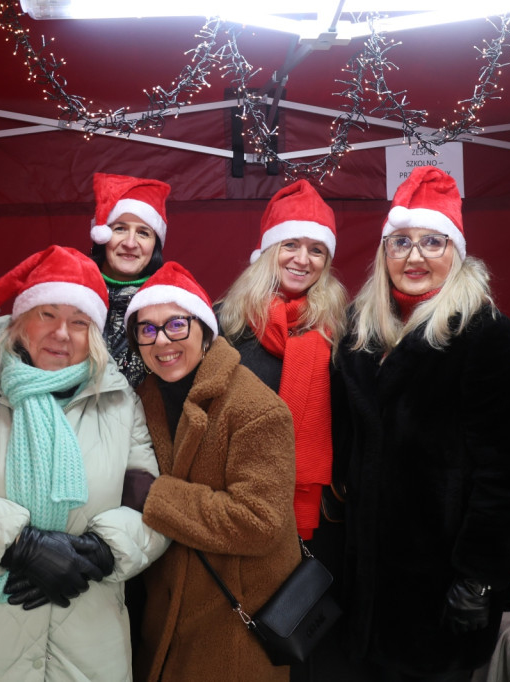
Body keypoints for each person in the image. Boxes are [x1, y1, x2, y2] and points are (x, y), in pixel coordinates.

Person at [0, 245, 170, 682]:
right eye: (47, 315)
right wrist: (21, 545)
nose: (62, 334)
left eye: (79, 322)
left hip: (86, 644)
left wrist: (103, 551)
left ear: (94, 333)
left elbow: (150, 503)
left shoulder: (119, 401)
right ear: (20, 321)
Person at [331, 167, 510, 681]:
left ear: (456, 252)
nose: (415, 255)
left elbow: (509, 474)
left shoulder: (484, 333)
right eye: (401, 242)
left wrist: (479, 578)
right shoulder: (361, 330)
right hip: (368, 582)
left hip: (442, 583)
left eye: (432, 241)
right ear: (384, 252)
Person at [123, 262, 302, 681]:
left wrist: (155, 497)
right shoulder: (143, 398)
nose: (162, 340)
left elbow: (259, 522)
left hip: (235, 624)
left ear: (204, 330)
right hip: (168, 615)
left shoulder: (256, 410)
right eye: (146, 330)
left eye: (176, 325)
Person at [215, 179, 349, 680]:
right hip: (245, 510)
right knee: (250, 645)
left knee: (310, 643)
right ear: (268, 249)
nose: (302, 259)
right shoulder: (226, 324)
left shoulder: (345, 330)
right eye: (291, 244)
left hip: (318, 520)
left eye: (316, 249)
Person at [89, 171, 171, 388]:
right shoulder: (71, 292)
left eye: (143, 233)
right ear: (101, 236)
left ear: (155, 245)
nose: (130, 243)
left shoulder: (170, 301)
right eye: (120, 229)